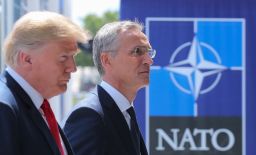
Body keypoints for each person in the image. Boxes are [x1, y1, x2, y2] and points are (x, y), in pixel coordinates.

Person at [0, 11, 88, 155]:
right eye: (63, 57)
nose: (72, 68)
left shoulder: (38, 106)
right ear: (27, 59)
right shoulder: (4, 108)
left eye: (73, 57)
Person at [63, 21, 156, 155]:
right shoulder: (89, 116)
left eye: (148, 52)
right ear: (106, 60)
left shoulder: (125, 112)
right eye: (137, 51)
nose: (148, 60)